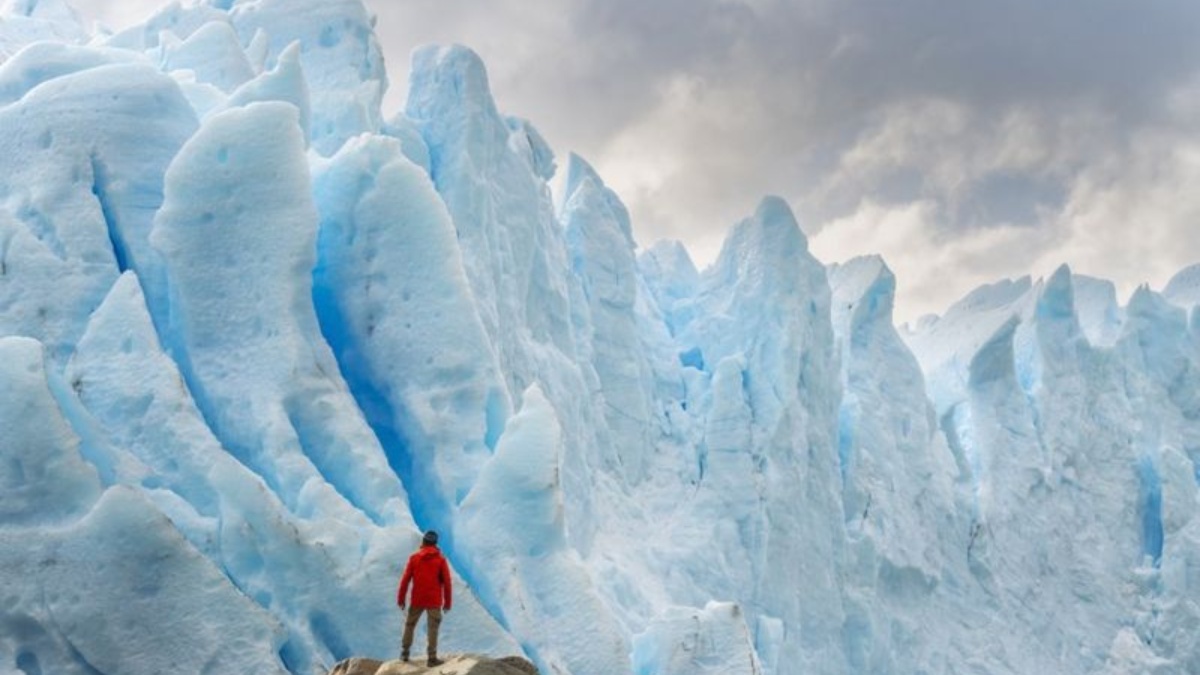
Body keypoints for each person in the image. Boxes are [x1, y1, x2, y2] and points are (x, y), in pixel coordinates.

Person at [397, 530, 452, 666]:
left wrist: (401, 599)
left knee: (410, 625)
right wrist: (447, 603)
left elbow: (405, 580)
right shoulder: (440, 560)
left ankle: (405, 653)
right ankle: (432, 658)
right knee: (433, 628)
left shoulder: (414, 558)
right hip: (434, 600)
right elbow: (447, 583)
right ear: (435, 543)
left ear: (423, 541)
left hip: (418, 599)